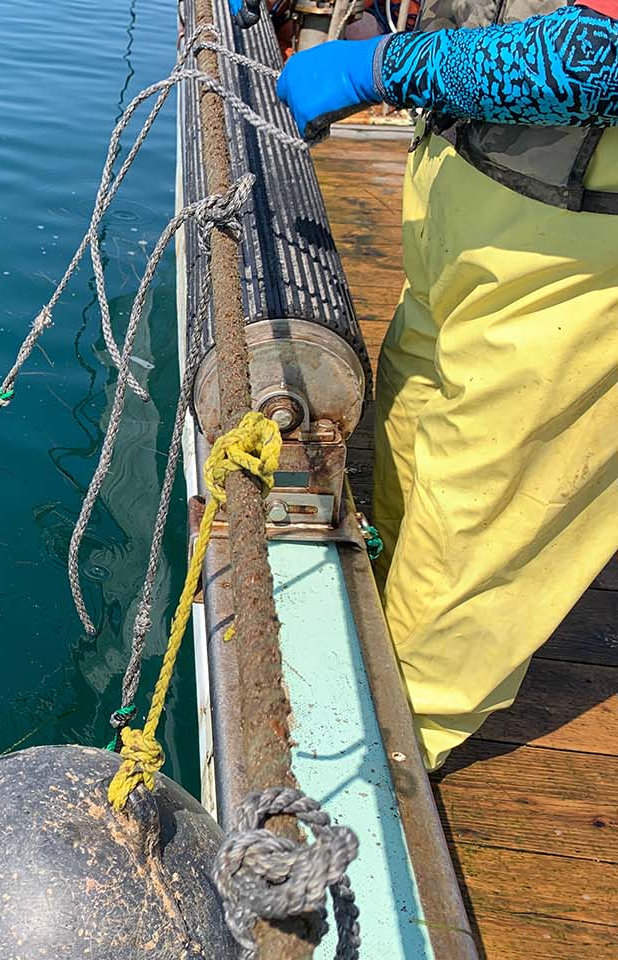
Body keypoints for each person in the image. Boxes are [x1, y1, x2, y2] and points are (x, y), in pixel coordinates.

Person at [249, 0, 618, 769]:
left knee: (493, 500)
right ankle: (379, 607)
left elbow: (594, 56)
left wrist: (383, 67)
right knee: (412, 425)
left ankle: (391, 748)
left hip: (584, 254)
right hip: (468, 194)